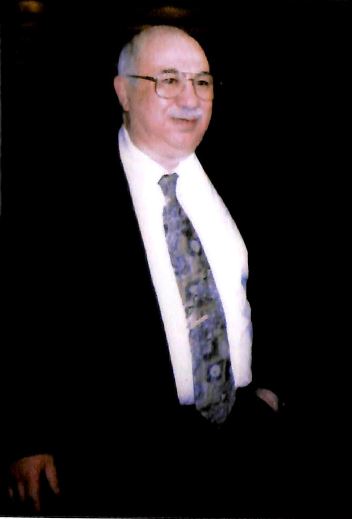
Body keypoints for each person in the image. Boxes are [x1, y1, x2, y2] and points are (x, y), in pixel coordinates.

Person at [2, 25, 281, 517]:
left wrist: (270, 392)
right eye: (168, 80)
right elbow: (23, 312)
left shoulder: (249, 175)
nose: (190, 100)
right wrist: (30, 435)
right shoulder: (57, 190)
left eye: (202, 82)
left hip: (245, 442)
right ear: (123, 91)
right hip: (120, 455)